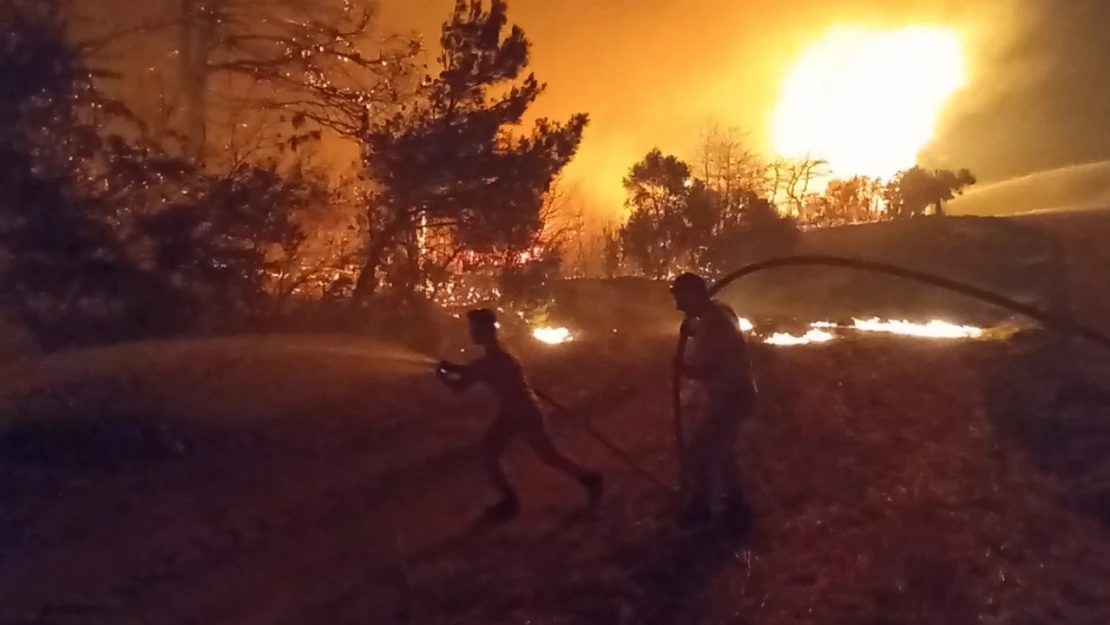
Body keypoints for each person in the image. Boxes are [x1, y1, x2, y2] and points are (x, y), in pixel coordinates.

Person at [436, 308, 603, 521]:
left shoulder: (498, 359)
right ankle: (509, 502)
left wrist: (446, 373)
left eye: (475, 328)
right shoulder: (496, 356)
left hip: (523, 412)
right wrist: (450, 370)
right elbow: (468, 377)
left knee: (547, 457)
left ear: (488, 331)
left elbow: (462, 383)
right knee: (492, 454)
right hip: (512, 412)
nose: (472, 333)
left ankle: (589, 479)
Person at [670, 273, 758, 529]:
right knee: (722, 451)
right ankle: (735, 505)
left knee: (700, 451)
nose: (677, 305)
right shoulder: (718, 312)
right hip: (735, 395)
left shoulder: (714, 324)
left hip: (733, 396)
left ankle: (703, 506)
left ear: (693, 295)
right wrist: (693, 330)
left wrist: (681, 368)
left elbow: (707, 368)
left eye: (680, 298)